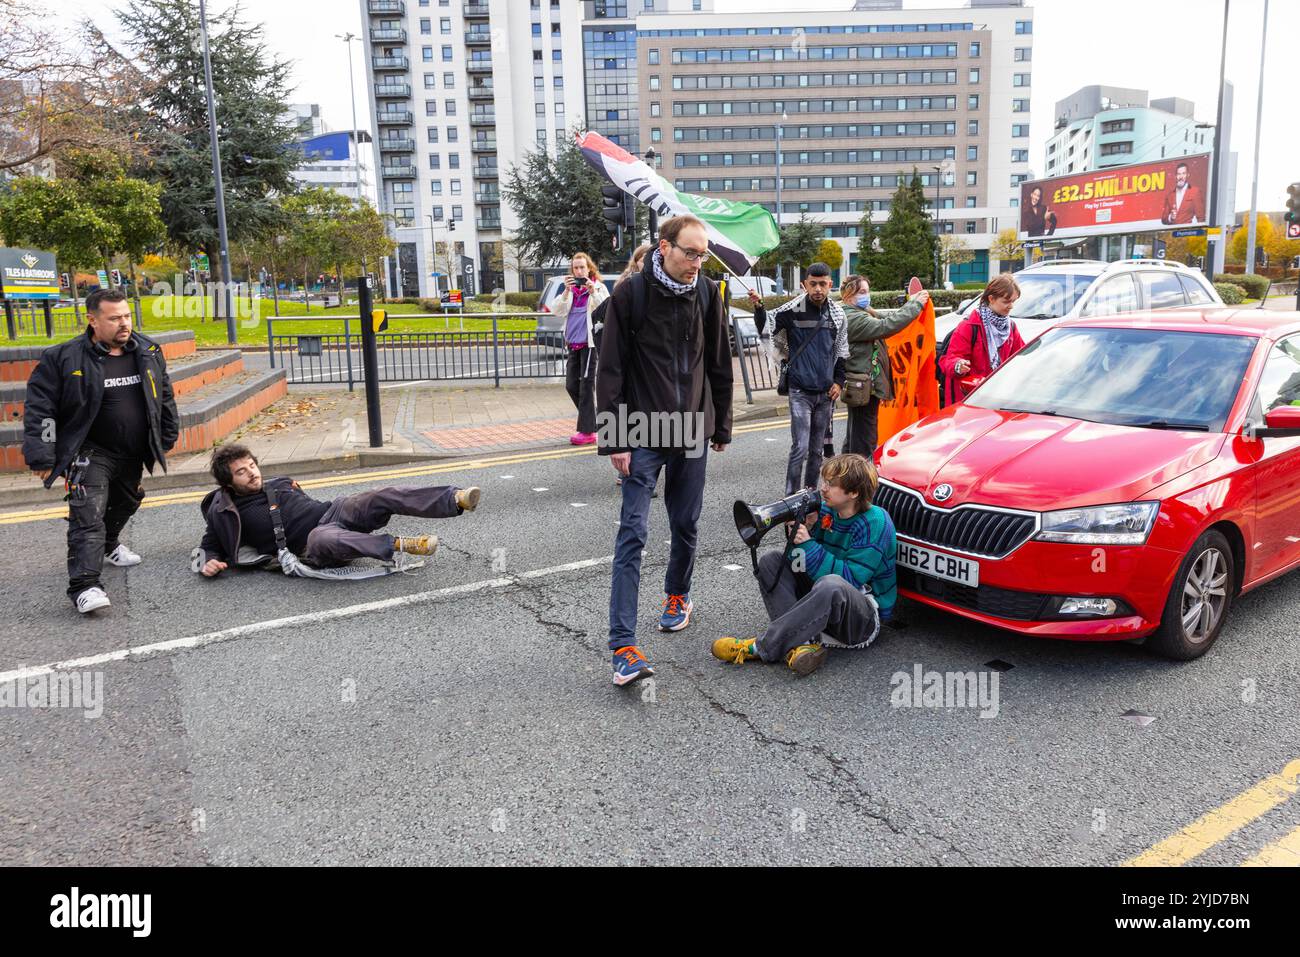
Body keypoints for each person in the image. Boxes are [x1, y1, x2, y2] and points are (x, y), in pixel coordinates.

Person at [596, 214, 733, 686]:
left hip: (693, 426)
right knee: (633, 532)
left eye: (703, 255)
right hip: (641, 429)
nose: (697, 263)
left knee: (686, 522)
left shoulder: (709, 293)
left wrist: (722, 425)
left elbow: (718, 362)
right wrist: (614, 437)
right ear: (664, 246)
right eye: (690, 253)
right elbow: (610, 368)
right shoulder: (630, 294)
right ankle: (623, 647)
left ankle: (678, 595)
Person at [22, 288, 179, 614]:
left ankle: (109, 545)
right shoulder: (62, 358)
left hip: (134, 450)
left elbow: (163, 395)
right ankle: (85, 586)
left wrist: (167, 433)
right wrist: (42, 453)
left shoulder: (148, 350)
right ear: (92, 320)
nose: (124, 324)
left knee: (127, 502)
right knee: (88, 515)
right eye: (114, 318)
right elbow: (42, 409)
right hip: (89, 452)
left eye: (127, 316)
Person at [711, 454, 896, 676]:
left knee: (832, 585)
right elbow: (798, 566)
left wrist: (808, 544)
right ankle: (801, 646)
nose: (823, 489)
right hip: (825, 600)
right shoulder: (827, 509)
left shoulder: (875, 521)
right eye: (823, 481)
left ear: (854, 493)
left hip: (860, 618)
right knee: (771, 561)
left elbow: (850, 579)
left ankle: (762, 646)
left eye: (831, 484)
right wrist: (799, 534)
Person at [195, 444, 480, 576]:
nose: (252, 474)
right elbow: (210, 544)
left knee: (379, 496)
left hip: (333, 511)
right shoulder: (224, 511)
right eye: (242, 472)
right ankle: (401, 544)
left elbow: (303, 501)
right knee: (323, 537)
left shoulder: (278, 483)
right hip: (312, 545)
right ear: (228, 482)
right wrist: (209, 561)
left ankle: (454, 499)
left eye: (252, 466)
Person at [761, 262, 848, 495]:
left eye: (823, 284)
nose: (818, 288)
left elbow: (841, 351)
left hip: (825, 393)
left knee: (817, 450)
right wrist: (759, 309)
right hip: (799, 391)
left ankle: (809, 495)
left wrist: (839, 382)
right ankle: (790, 498)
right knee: (799, 447)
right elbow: (768, 330)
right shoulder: (790, 312)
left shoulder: (837, 315)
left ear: (830, 284)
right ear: (804, 285)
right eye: (813, 284)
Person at [840, 276, 931, 458]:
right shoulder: (852, 317)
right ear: (849, 296)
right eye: (862, 292)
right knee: (864, 438)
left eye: (868, 291)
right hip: (863, 387)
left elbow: (891, 318)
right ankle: (861, 479)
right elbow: (886, 326)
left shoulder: (861, 312)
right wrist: (916, 305)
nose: (867, 296)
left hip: (863, 386)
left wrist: (910, 304)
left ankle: (846, 475)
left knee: (856, 434)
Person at [548, 252, 610, 446]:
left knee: (585, 387)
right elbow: (556, 310)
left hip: (589, 345)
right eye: (575, 268)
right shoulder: (571, 291)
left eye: (582, 267)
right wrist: (566, 292)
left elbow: (607, 309)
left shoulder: (598, 287)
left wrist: (593, 292)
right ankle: (593, 420)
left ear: (589, 268)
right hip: (572, 344)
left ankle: (586, 431)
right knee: (571, 385)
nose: (579, 271)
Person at [939, 273, 1025, 406]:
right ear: (991, 298)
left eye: (1013, 301)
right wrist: (958, 365)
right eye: (1006, 301)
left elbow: (1020, 357)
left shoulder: (1010, 327)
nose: (1011, 306)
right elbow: (949, 360)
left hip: (997, 396)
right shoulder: (969, 326)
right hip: (969, 399)